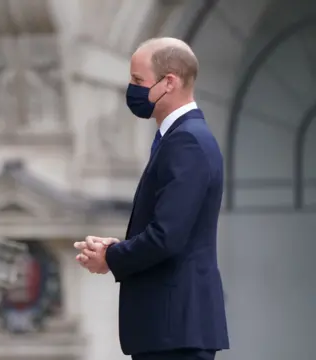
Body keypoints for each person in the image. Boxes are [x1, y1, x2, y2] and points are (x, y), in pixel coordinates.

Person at [74, 37, 229, 360]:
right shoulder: (179, 138)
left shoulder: (186, 141)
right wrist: (116, 247)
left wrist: (112, 257)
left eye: (138, 81)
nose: (132, 90)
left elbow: (167, 237)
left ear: (168, 82)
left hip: (174, 330)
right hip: (170, 330)